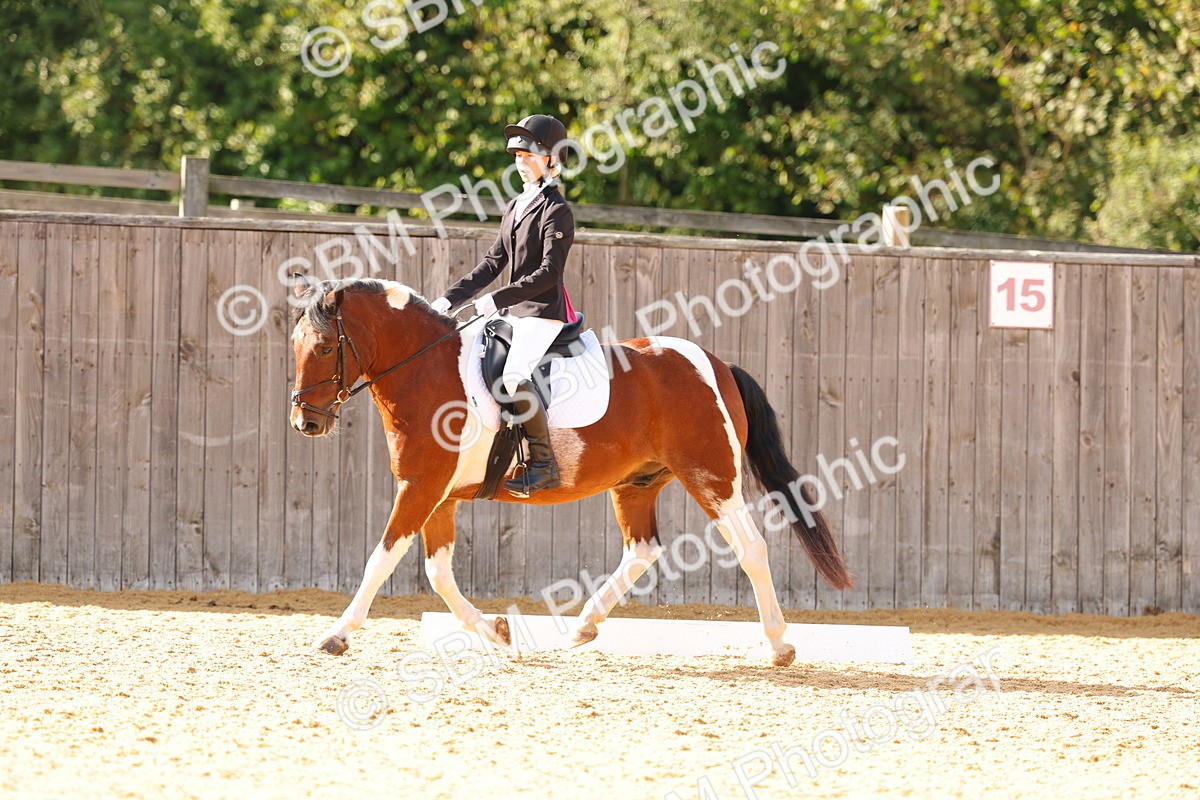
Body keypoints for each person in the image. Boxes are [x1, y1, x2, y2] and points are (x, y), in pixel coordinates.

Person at [431, 114, 575, 496]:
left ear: (550, 159)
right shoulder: (515, 205)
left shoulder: (557, 211)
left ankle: (544, 465)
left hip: (542, 313)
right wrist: (448, 299)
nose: (521, 163)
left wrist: (496, 299)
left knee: (512, 378)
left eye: (529, 156)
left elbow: (548, 273)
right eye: (517, 157)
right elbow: (493, 263)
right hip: (513, 312)